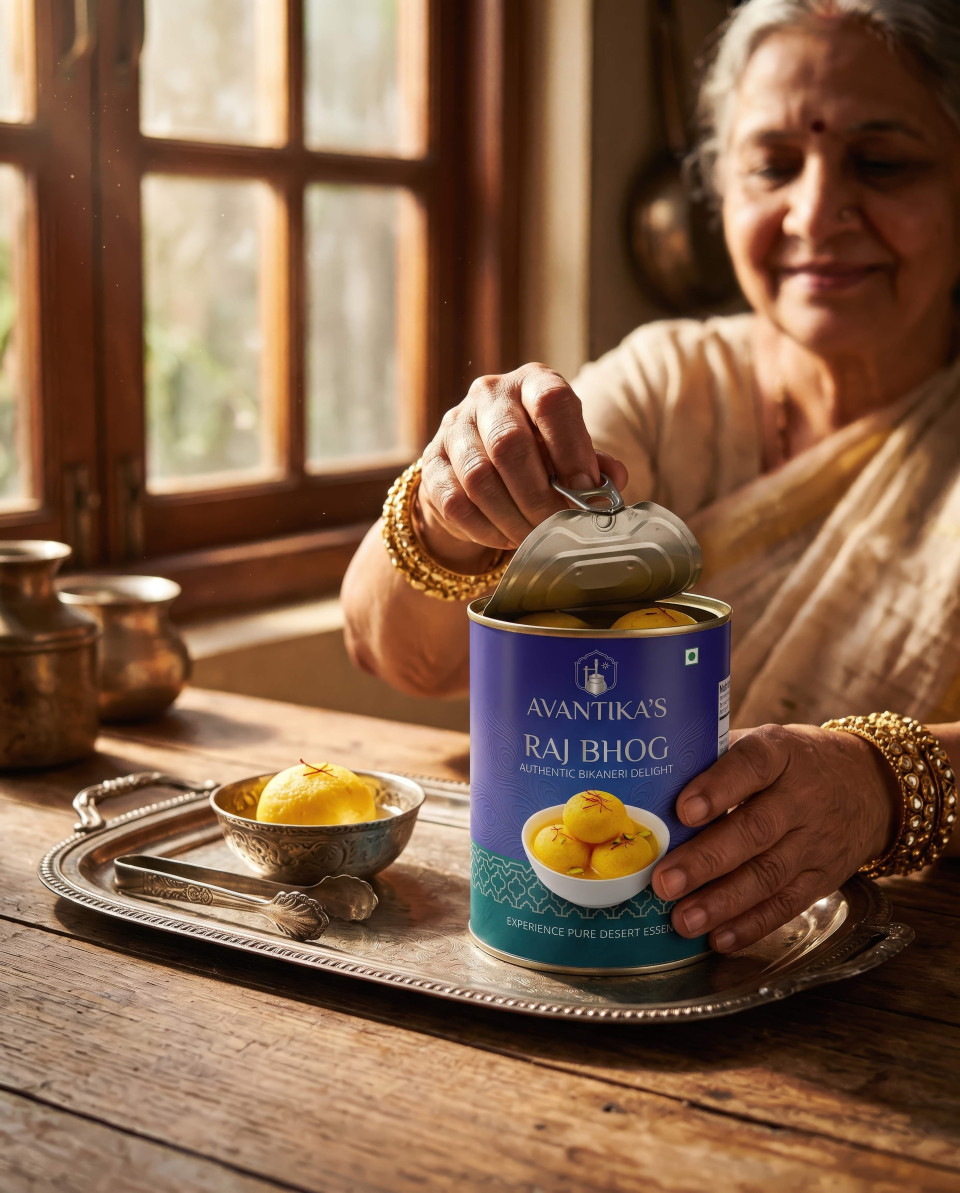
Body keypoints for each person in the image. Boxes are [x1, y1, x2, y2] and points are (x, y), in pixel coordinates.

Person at [342, 0, 960, 955]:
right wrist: (446, 505)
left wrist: (884, 786)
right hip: (580, 942)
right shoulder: (670, 383)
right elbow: (399, 655)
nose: (815, 211)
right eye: (771, 165)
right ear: (720, 188)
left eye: (883, 164)